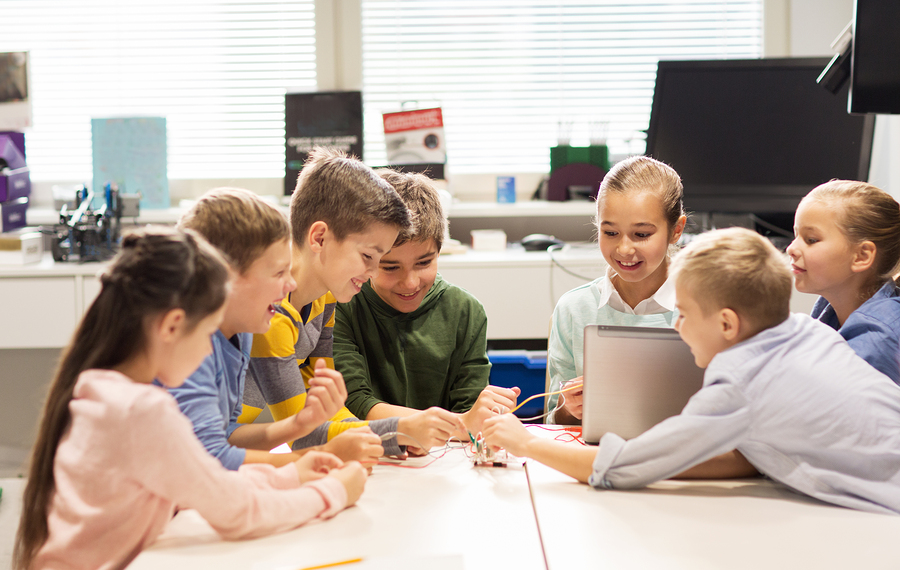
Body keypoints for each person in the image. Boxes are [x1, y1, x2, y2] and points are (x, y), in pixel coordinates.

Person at [13, 228, 366, 570]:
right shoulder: (143, 410)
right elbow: (238, 513)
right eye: (207, 332)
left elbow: (201, 483)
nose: (207, 352)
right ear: (171, 327)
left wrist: (291, 476)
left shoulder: (99, 389)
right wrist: (333, 492)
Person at [484, 228, 900, 515]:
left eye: (682, 315)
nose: (678, 327)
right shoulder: (809, 331)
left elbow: (620, 468)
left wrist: (525, 442)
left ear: (726, 325)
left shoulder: (741, 382)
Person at [244, 152, 471, 461]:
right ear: (320, 238)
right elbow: (303, 434)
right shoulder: (272, 313)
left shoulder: (324, 298)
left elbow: (329, 408)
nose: (373, 271)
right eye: (368, 257)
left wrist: (393, 439)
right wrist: (398, 431)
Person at [167, 185, 369, 470]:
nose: (291, 284)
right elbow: (209, 456)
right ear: (226, 277)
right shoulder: (188, 347)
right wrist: (311, 459)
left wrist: (298, 424)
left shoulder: (241, 335)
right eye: (278, 273)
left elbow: (227, 435)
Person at [332, 169, 519, 448]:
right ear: (367, 257)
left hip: (445, 463)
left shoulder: (465, 312)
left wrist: (480, 415)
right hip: (368, 456)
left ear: (439, 251)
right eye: (390, 267)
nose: (409, 282)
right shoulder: (341, 305)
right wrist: (458, 424)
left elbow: (470, 410)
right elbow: (355, 403)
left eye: (424, 263)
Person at [547, 155, 686, 424]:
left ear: (676, 230)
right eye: (610, 233)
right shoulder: (574, 309)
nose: (624, 249)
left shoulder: (706, 307)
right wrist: (570, 408)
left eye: (641, 235)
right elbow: (555, 419)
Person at [787, 179, 900, 384]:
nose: (791, 249)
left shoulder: (877, 341)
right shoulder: (831, 311)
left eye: (811, 239)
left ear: (862, 256)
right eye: (795, 236)